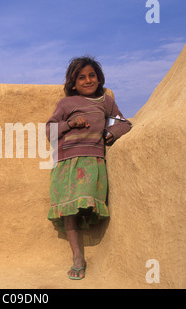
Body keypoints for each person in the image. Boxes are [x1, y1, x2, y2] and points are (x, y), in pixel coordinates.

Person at [46, 56, 132, 280]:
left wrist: (110, 134)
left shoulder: (106, 101)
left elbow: (124, 123)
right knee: (69, 211)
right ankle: (78, 258)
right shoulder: (66, 104)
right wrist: (70, 124)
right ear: (73, 83)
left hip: (93, 162)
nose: (87, 80)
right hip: (67, 162)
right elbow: (50, 131)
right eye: (81, 77)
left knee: (86, 204)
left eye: (92, 75)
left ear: (99, 78)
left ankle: (83, 252)